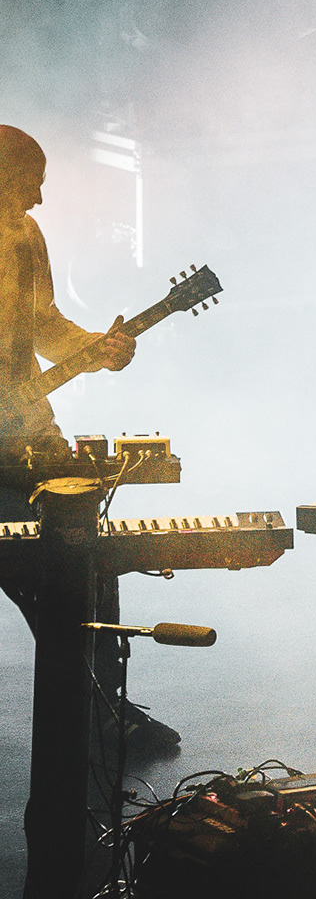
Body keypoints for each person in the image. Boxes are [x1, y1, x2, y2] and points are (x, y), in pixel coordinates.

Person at [0, 124, 177, 750]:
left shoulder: (26, 236)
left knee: (85, 565)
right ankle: (94, 714)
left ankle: (102, 713)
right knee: (45, 575)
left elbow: (44, 323)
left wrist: (97, 350)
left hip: (29, 429)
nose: (39, 199)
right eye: (29, 184)